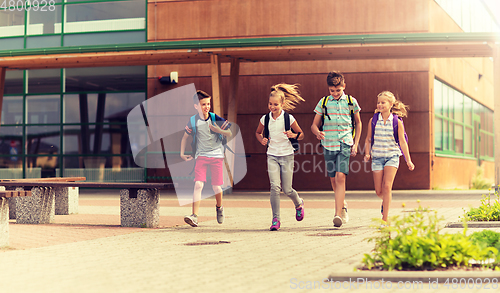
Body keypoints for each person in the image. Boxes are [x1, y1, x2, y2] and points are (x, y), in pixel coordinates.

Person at [311, 71, 362, 228]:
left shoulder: (351, 101)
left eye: (338, 90)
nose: (335, 93)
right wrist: (317, 132)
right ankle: (343, 204)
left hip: (345, 142)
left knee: (341, 177)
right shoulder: (324, 102)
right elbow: (313, 125)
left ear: (344, 87)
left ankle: (337, 214)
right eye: (332, 91)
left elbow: (358, 123)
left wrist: (356, 143)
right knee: (333, 179)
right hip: (328, 145)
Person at [255, 83, 306, 231]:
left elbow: (301, 134)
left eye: (276, 104)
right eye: (270, 104)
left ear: (282, 104)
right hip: (272, 155)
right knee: (274, 187)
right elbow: (258, 133)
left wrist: (293, 135)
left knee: (287, 189)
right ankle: (276, 219)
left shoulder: (289, 118)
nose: (272, 107)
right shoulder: (265, 119)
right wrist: (262, 140)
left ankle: (298, 203)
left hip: (287, 155)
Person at [180, 90, 232, 227]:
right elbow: (185, 137)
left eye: (208, 104)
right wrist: (181, 153)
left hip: (216, 156)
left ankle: (219, 207)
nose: (207, 107)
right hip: (201, 156)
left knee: (216, 187)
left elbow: (230, 132)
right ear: (196, 106)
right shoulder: (193, 121)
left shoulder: (215, 118)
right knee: (198, 184)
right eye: (203, 104)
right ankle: (194, 216)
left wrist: (219, 130)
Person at [363, 91, 415, 225]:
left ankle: (385, 219)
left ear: (391, 104)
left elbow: (403, 142)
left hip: (392, 156)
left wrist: (408, 160)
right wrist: (367, 153)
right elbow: (368, 138)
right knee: (378, 191)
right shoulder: (373, 120)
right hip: (377, 157)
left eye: (383, 102)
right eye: (378, 102)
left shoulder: (397, 121)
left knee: (387, 187)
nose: (380, 104)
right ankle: (385, 201)